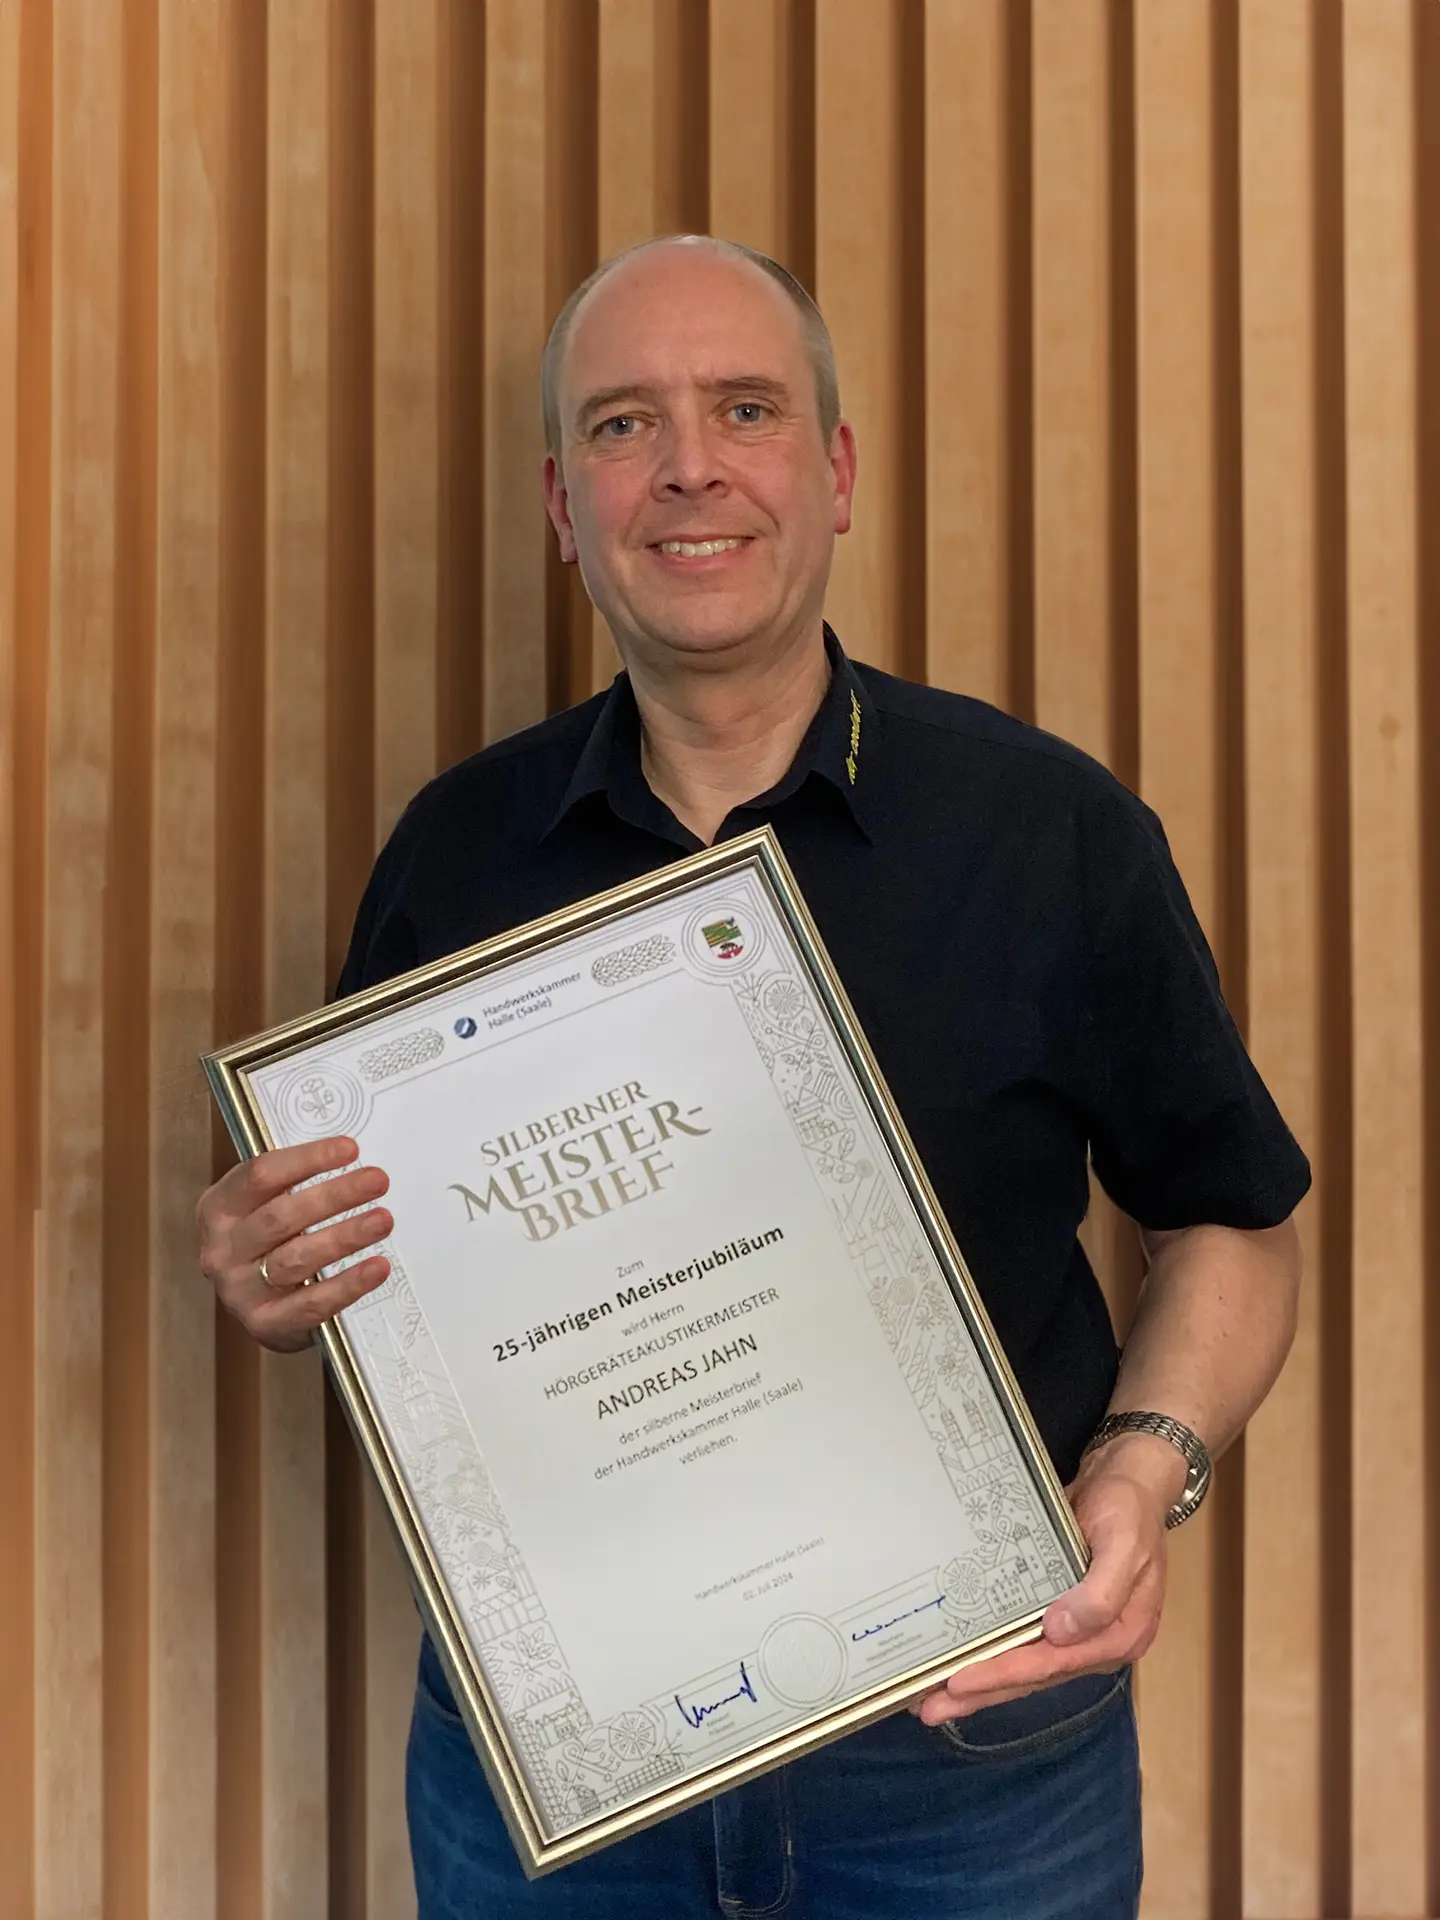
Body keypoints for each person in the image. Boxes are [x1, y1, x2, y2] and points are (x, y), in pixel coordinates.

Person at [196, 235, 1308, 1919]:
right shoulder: (456, 852)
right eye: (623, 425)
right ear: (565, 505)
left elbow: (1232, 1225)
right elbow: (374, 1267)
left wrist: (1145, 1470)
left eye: (745, 409)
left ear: (836, 473)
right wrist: (278, 1267)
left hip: (973, 1758)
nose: (689, 467)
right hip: (558, 1778)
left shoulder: (1048, 832)